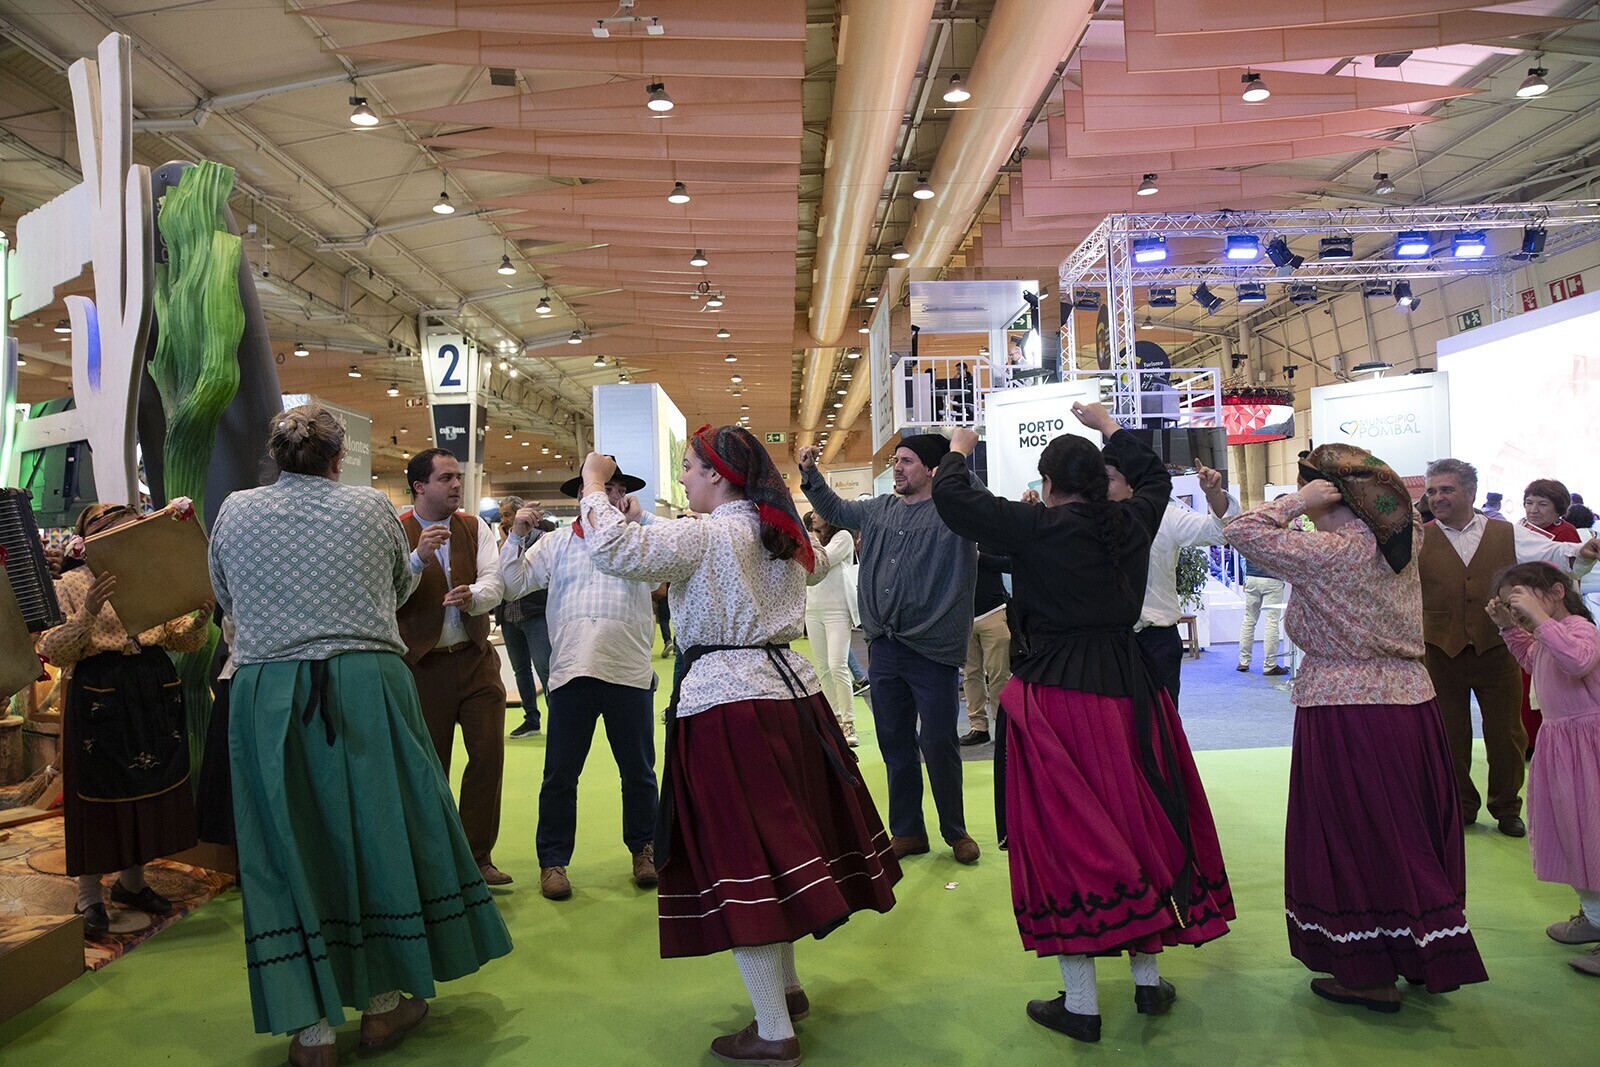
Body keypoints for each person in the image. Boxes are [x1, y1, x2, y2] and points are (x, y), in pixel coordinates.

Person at [580, 425, 900, 1067]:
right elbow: (812, 565)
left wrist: (592, 484)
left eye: (690, 467)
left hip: (727, 707)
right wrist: (639, 517)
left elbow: (613, 549)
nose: (683, 479)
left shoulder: (704, 535)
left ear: (718, 475)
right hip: (790, 697)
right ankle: (787, 990)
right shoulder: (777, 530)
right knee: (780, 852)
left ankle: (774, 1030)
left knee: (743, 862)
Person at [208, 405, 511, 1066]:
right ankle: (381, 1005)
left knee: (284, 843)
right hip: (364, 683)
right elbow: (398, 587)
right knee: (378, 832)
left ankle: (311, 1030)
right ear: (337, 458)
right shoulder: (371, 508)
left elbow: (225, 598)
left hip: (267, 691)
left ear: (277, 456)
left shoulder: (235, 510)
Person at [931, 405, 1233, 1045]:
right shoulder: (1130, 520)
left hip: (1058, 696)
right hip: (1131, 688)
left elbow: (953, 499)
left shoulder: (1037, 526)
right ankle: (1148, 983)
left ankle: (1082, 1002)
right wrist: (1110, 426)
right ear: (1099, 479)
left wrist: (959, 446)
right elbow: (1154, 476)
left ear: (1047, 484)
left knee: (1066, 837)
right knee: (1142, 822)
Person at [1226, 443, 1487, 1013]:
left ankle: (1367, 972)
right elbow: (1401, 509)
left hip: (1345, 709)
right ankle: (1421, 953)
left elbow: (1240, 530)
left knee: (1353, 834)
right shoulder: (1404, 541)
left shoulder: (1328, 552)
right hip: (1411, 702)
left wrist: (1296, 502)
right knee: (1407, 828)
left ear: (1330, 495)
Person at [800, 433, 980, 865]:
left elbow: (980, 499)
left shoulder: (956, 511)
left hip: (932, 649)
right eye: (896, 459)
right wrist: (809, 473)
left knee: (939, 742)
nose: (897, 467)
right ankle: (908, 830)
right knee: (894, 742)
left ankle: (955, 831)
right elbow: (834, 509)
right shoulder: (879, 509)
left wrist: (957, 455)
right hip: (884, 647)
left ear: (933, 469)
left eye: (908, 461)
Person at [37, 503, 211, 939]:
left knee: (147, 788)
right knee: (98, 792)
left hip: (153, 688)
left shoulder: (151, 576)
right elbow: (53, 650)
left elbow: (179, 639)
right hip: (100, 694)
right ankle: (89, 895)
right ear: (93, 538)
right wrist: (88, 611)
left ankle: (132, 883)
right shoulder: (70, 584)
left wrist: (199, 618)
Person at [499, 466, 660, 901]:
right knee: (560, 775)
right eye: (603, 489)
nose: (611, 497)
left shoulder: (638, 540)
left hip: (628, 670)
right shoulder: (555, 543)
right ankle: (552, 862)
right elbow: (512, 585)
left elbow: (664, 573)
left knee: (639, 773)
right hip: (571, 670)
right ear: (583, 497)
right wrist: (517, 535)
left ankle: (644, 849)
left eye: (618, 490)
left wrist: (640, 521)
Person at [1420, 458, 1597, 837]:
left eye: (1447, 489)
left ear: (1470, 492)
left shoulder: (1506, 533)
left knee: (1508, 735)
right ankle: (1461, 806)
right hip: (1438, 649)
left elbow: (1552, 554)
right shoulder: (1418, 536)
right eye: (1432, 491)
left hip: (1497, 647)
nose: (1437, 497)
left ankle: (1506, 808)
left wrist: (1583, 552)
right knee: (1446, 735)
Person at [397, 449, 510, 886]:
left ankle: (478, 858)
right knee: (429, 768)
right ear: (419, 487)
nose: (457, 485)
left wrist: (474, 597)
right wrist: (417, 558)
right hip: (421, 667)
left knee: (488, 757)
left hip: (477, 658)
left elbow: (494, 583)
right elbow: (385, 592)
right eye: (445, 478)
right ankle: (435, 864)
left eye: (457, 477)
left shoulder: (474, 526)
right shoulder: (396, 531)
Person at [1486, 563, 1600, 978]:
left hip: (1589, 751)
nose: (1518, 611)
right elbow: (1534, 660)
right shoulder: (1547, 635)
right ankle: (1594, 915)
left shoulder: (1580, 629)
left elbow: (1577, 661)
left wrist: (1538, 619)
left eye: (1521, 600)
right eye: (1510, 604)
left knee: (1594, 837)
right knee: (1573, 836)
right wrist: (1508, 628)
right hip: (1562, 749)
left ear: (1556, 592)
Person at [1106, 453, 1238, 705]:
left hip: (1156, 638)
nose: (1101, 486)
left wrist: (1214, 494)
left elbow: (1220, 532)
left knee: (1162, 718)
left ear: (1131, 484)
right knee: (1113, 720)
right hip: (1107, 642)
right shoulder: (1088, 520)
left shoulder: (1165, 516)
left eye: (1109, 479)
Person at [1517, 479, 1584, 756]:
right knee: (1526, 676)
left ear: (1558, 509)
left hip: (1554, 613)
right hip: (1524, 611)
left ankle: (1550, 741)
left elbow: (1569, 575)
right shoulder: (1520, 529)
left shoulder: (1566, 533)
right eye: (1529, 502)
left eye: (1542, 504)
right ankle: (1528, 740)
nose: (1534, 509)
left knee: (1552, 677)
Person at [495, 496, 554, 740]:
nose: (504, 520)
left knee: (546, 669)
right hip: (509, 617)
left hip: (536, 614)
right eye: (502, 516)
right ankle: (531, 720)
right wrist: (505, 541)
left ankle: (559, 719)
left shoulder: (542, 538)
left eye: (508, 514)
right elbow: (499, 572)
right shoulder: (501, 543)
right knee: (521, 670)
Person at [803, 510, 860, 746]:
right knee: (824, 668)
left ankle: (849, 722)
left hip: (838, 610)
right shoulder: (814, 539)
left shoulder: (843, 536)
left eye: (818, 512)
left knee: (838, 665)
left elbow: (822, 561)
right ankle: (834, 719)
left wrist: (809, 540)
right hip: (812, 609)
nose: (813, 516)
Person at [960, 547, 1011, 746]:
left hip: (994, 611)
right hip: (964, 616)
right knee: (971, 674)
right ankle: (978, 726)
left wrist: (980, 556)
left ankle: (1003, 725)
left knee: (999, 673)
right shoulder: (953, 539)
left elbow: (1010, 564)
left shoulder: (991, 535)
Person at [1236, 553, 1288, 676]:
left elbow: (1243, 556)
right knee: (1271, 622)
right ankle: (1270, 665)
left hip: (1251, 577)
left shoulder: (1251, 539)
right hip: (1272, 578)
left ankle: (1244, 661)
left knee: (1249, 621)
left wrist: (1245, 578)